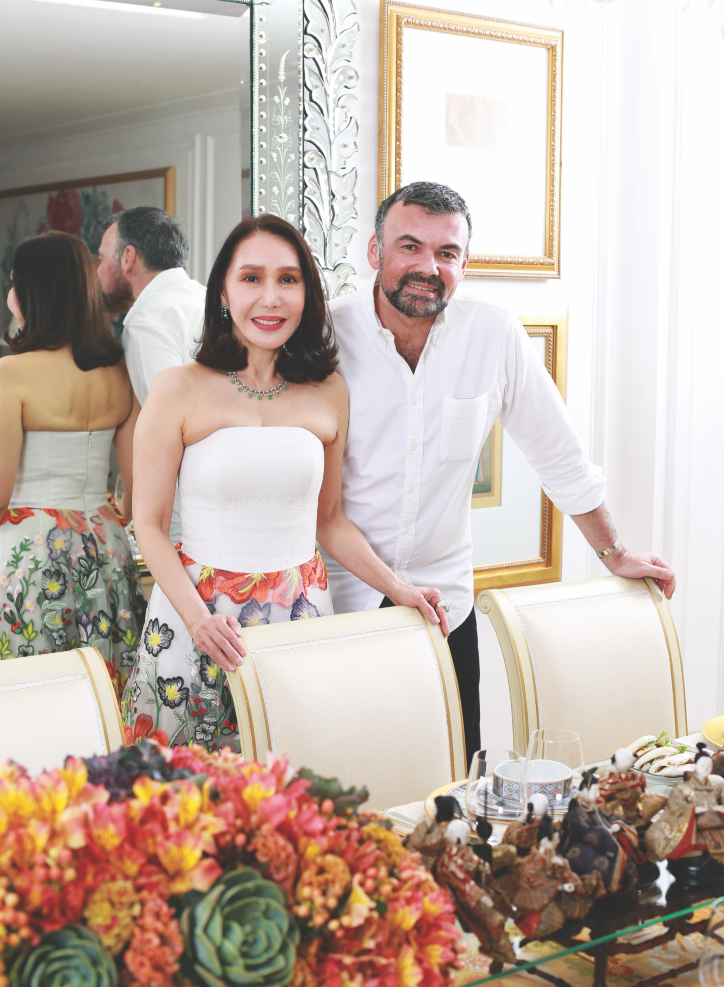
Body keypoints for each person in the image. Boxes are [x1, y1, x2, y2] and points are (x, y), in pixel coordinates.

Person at [325, 181, 677, 764]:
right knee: (345, 776)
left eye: (447, 253)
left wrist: (614, 554)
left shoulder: (493, 334)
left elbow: (559, 454)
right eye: (410, 246)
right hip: (340, 604)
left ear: (464, 264)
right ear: (374, 251)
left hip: (445, 605)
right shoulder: (326, 335)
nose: (428, 267)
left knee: (455, 778)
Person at [121, 214, 447, 752]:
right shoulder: (177, 388)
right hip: (197, 618)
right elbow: (149, 526)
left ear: (306, 293)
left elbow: (329, 521)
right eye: (251, 278)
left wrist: (398, 588)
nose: (270, 298)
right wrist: (200, 622)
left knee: (292, 781)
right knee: (181, 789)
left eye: (288, 280)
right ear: (223, 291)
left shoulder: (329, 390)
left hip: (300, 617)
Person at [0, 232, 145, 697]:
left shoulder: (11, 374)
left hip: (32, 547)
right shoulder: (118, 371)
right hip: (105, 544)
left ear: (33, 292)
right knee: (98, 689)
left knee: (35, 692)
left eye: (16, 282)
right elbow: (138, 487)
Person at [96, 206, 205, 544]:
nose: (98, 271)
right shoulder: (209, 298)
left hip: (189, 519)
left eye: (101, 259)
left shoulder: (146, 322)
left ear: (128, 257)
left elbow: (168, 432)